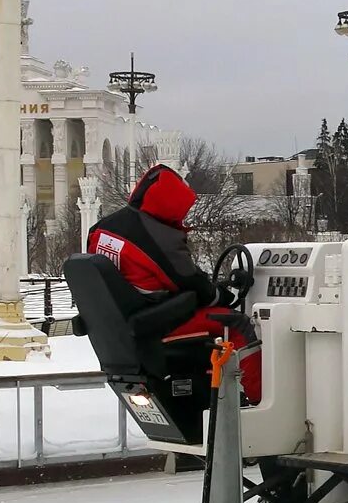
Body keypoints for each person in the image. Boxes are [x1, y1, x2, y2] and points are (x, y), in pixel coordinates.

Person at [86, 164, 263, 404]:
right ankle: (258, 401)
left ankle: (217, 395)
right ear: (172, 206)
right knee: (237, 325)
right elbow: (192, 282)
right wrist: (225, 295)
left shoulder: (103, 228)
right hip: (154, 325)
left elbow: (164, 279)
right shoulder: (159, 237)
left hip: (123, 323)